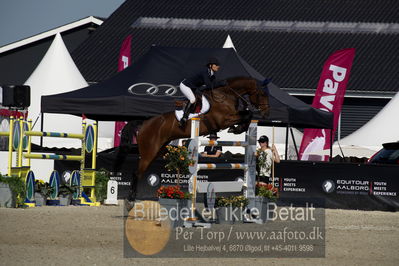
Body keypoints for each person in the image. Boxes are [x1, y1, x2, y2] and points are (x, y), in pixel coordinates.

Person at [179, 57, 226, 126]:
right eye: (216, 65)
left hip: (193, 87)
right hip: (185, 86)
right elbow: (209, 85)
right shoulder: (205, 72)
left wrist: (221, 84)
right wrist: (221, 83)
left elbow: (213, 85)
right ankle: (184, 118)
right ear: (210, 66)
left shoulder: (212, 74)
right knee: (192, 100)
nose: (218, 66)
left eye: (218, 65)